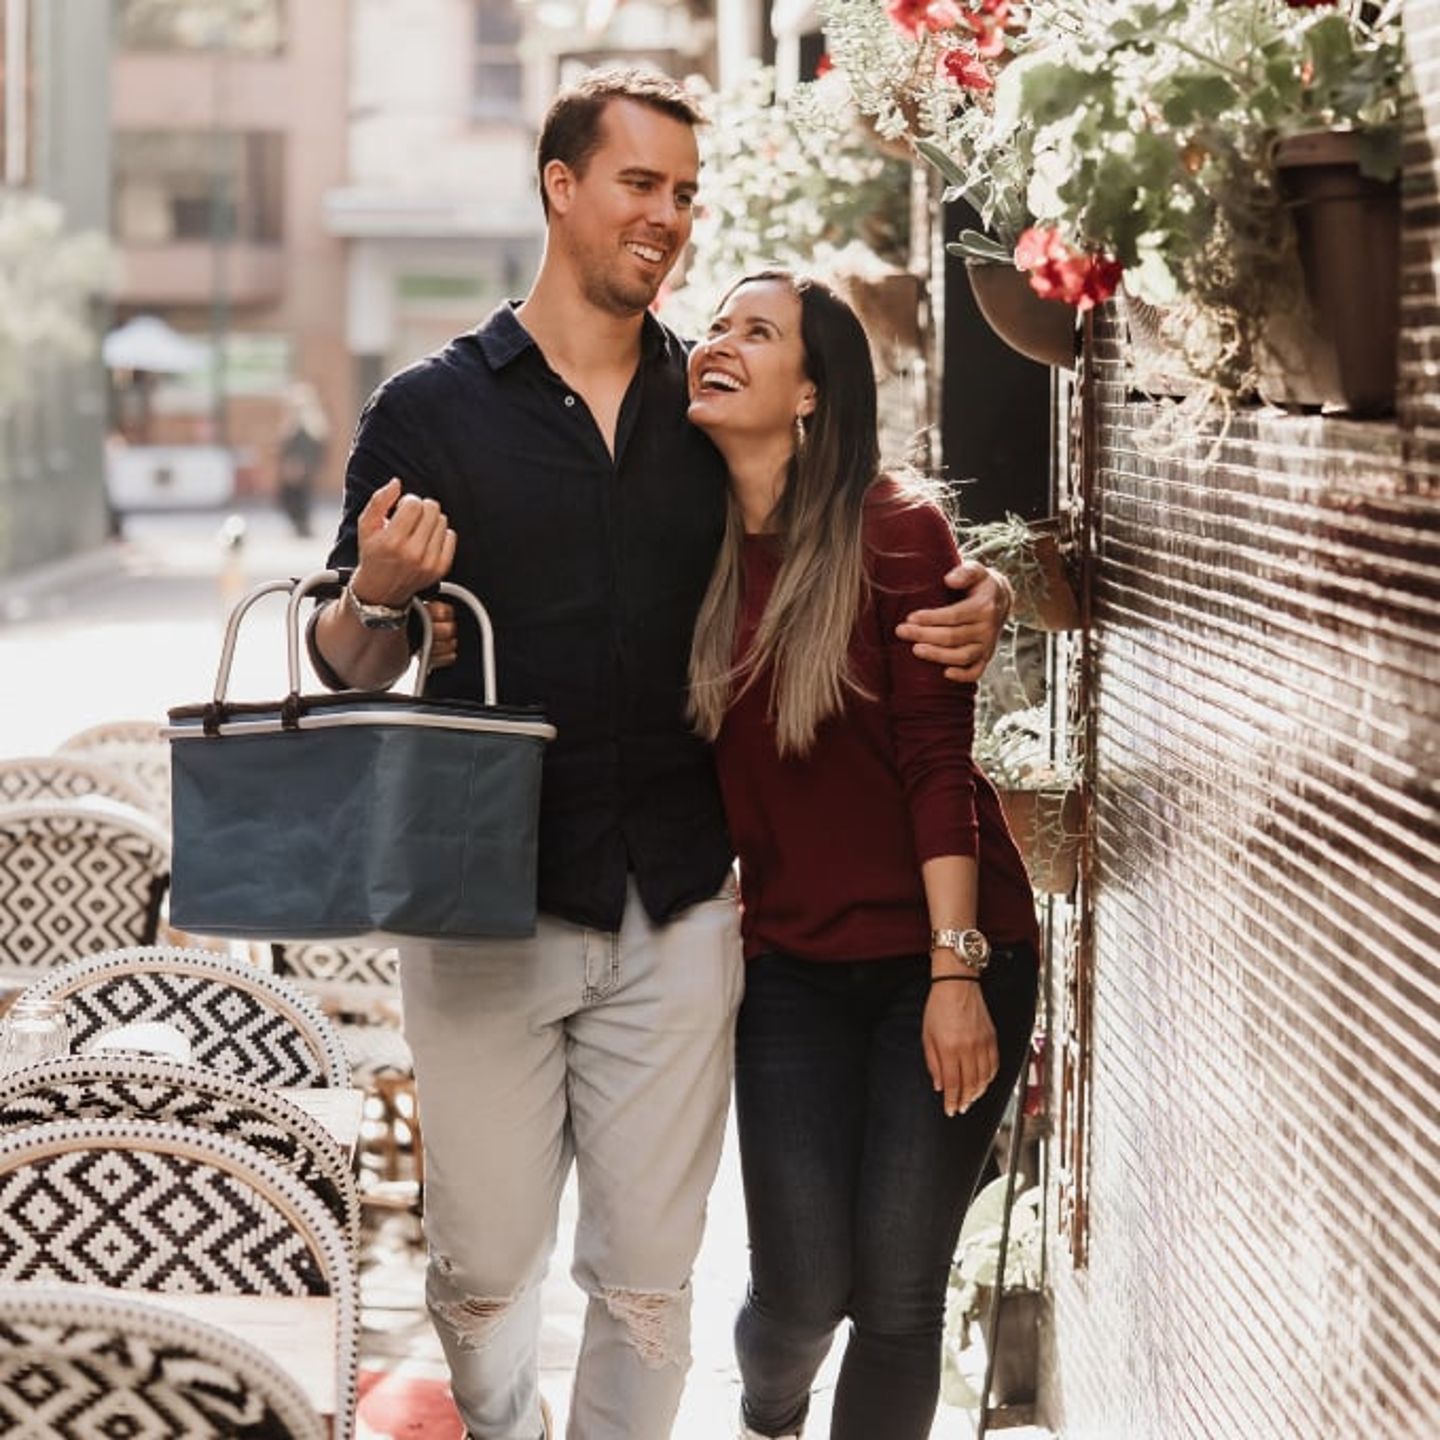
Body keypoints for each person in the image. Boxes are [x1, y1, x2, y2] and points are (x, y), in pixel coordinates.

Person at [308, 69, 1012, 1440]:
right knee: (485, 1273)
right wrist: (378, 595)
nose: (668, 217)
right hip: (486, 903)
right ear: (560, 185)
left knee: (646, 1282)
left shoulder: (709, 405)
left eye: (685, 193)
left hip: (680, 906)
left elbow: (844, 518)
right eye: (640, 183)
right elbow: (344, 663)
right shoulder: (429, 410)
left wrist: (975, 594)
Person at [684, 269, 1040, 1440]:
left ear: (811, 393)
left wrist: (954, 973)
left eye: (756, 332)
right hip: (790, 960)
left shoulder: (892, 531)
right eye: (716, 326)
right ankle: (767, 1416)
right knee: (798, 1293)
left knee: (894, 1299)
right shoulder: (680, 539)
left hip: (946, 951)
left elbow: (940, 763)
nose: (718, 342)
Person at [275, 381, 329, 538]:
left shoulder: (308, 425)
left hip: (301, 466)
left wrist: (300, 465)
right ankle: (300, 525)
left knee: (300, 496)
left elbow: (310, 448)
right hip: (297, 466)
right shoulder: (295, 423)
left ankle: (303, 525)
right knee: (293, 496)